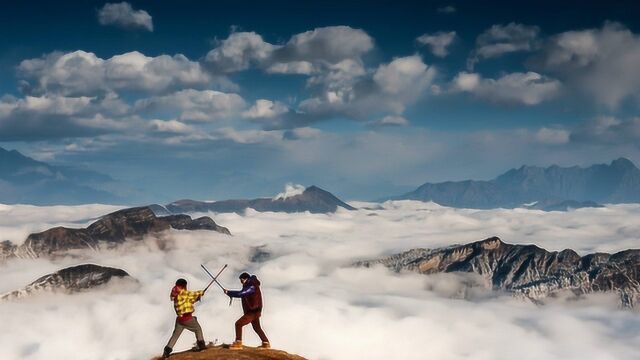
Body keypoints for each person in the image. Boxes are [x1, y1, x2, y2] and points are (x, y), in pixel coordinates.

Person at [162, 278, 207, 358]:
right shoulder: (183, 292)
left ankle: (166, 352)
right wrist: (201, 293)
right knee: (198, 329)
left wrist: (196, 298)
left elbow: (187, 300)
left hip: (180, 320)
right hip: (187, 319)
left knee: (175, 336)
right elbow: (192, 294)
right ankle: (202, 347)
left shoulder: (175, 292)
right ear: (184, 285)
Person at [224, 272, 270, 350]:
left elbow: (242, 293)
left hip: (252, 311)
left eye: (241, 280)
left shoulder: (251, 286)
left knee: (238, 324)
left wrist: (229, 292)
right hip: (255, 310)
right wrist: (229, 293)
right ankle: (266, 343)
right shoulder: (251, 285)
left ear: (245, 279)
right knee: (257, 327)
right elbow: (242, 293)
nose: (241, 282)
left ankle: (238, 343)